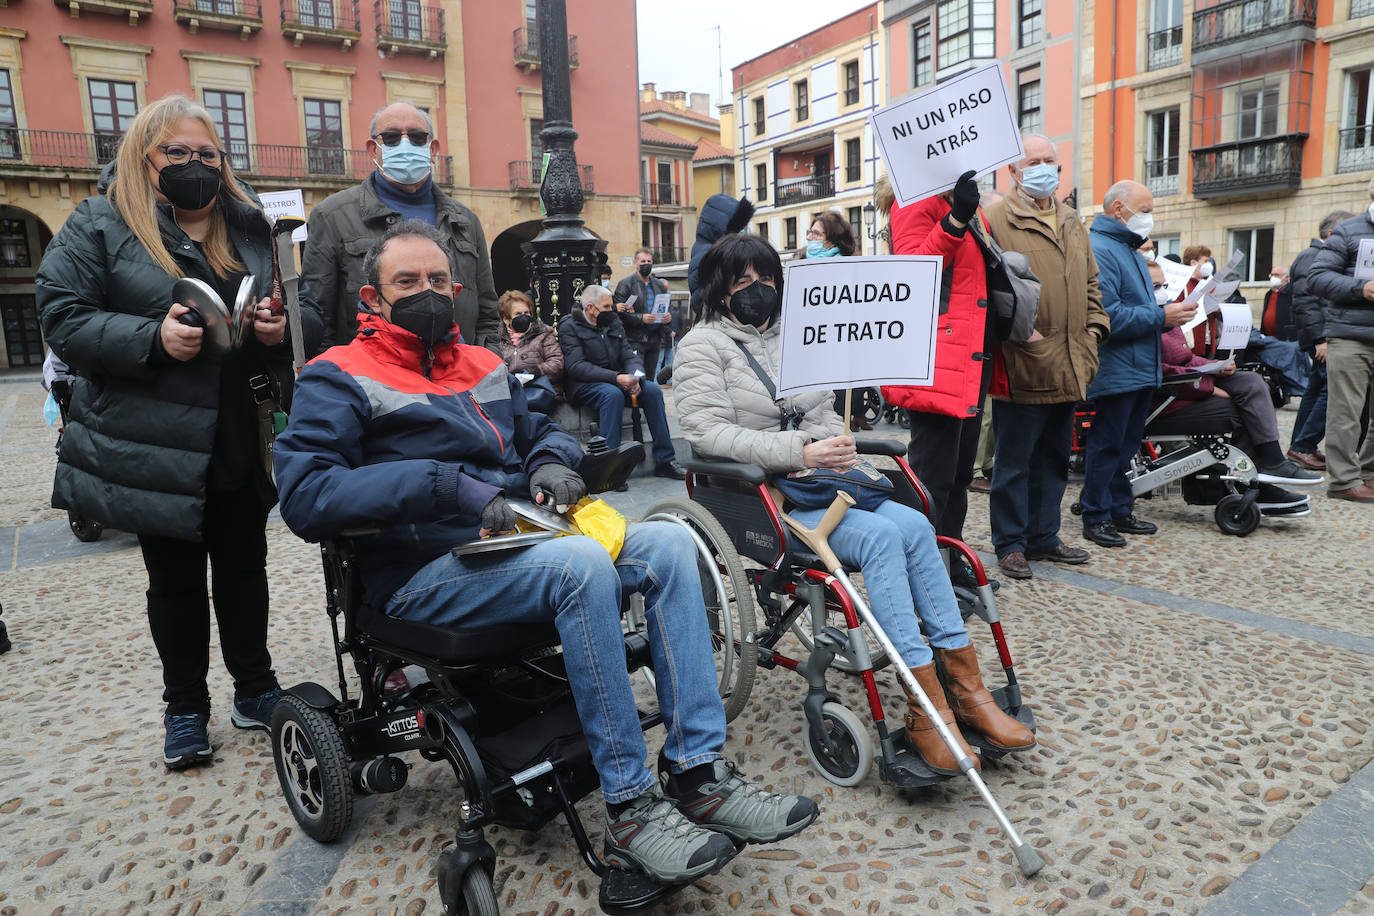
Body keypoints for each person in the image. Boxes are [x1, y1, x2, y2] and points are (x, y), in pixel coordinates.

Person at [273, 221, 817, 885]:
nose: (428, 293)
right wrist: (442, 485)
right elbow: (305, 495)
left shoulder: (484, 364)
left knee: (671, 542)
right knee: (580, 564)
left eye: (438, 280)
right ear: (372, 296)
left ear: (460, 286)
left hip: (518, 541)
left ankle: (697, 772)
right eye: (407, 283)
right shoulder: (337, 375)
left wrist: (552, 463)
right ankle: (631, 811)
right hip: (419, 574)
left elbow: (541, 434)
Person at [673, 232, 1035, 776]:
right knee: (882, 537)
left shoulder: (800, 334)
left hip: (823, 479)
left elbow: (822, 411)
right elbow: (706, 434)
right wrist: (801, 449)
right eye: (742, 282)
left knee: (914, 524)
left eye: (765, 278)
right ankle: (924, 708)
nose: (757, 290)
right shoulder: (701, 345)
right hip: (762, 491)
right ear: (719, 290)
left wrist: (832, 444)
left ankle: (968, 690)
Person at [35, 94, 321, 767]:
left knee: (246, 569)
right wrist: (151, 337)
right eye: (178, 153)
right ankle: (185, 707)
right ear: (145, 156)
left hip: (237, 429)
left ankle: (254, 687)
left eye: (208, 154)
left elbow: (290, 308)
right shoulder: (100, 223)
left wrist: (278, 332)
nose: (195, 165)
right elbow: (63, 318)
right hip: (152, 437)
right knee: (175, 582)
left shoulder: (250, 225)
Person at [983, 134, 1110, 580]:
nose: (1042, 167)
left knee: (1055, 458)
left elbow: (1092, 284)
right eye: (1032, 161)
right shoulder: (997, 217)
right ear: (1014, 172)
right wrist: (1019, 332)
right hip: (1025, 361)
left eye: (1049, 160)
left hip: (1073, 359)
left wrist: (1095, 331)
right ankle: (1011, 543)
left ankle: (1044, 536)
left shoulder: (1073, 218)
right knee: (1015, 462)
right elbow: (989, 289)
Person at [302, 101, 500, 354]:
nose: (405, 145)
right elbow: (319, 316)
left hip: (458, 379)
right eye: (392, 137)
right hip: (371, 382)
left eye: (417, 137)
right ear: (374, 150)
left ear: (432, 149)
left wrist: (488, 367)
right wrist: (335, 381)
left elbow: (487, 314)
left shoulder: (465, 221)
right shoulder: (331, 215)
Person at [880, 170, 994, 547]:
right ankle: (923, 569)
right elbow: (915, 272)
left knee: (959, 473)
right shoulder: (916, 202)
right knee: (933, 478)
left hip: (968, 356)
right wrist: (955, 221)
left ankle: (949, 560)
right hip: (937, 357)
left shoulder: (955, 202)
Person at [1082, 180, 1196, 547]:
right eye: (1145, 210)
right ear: (1119, 209)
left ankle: (1118, 508)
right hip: (1117, 365)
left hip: (1138, 365)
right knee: (1108, 443)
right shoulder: (1102, 249)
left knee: (1126, 444)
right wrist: (1162, 316)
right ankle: (1096, 514)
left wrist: (1162, 314)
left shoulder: (1126, 248)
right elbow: (1109, 316)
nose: (1150, 218)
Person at [1158, 325, 1321, 511]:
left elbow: (1185, 359)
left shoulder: (1167, 318)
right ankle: (1249, 485)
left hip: (1187, 382)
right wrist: (1209, 388)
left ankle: (1273, 461)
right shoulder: (1153, 319)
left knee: (1252, 381)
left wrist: (1214, 367)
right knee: (1242, 408)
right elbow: (1158, 370)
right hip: (1167, 399)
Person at [559, 285, 686, 479]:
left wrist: (636, 376)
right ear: (591, 308)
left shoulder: (612, 321)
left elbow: (628, 354)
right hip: (586, 384)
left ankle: (665, 460)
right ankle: (611, 467)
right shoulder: (569, 326)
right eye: (607, 306)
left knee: (652, 391)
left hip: (618, 380)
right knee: (612, 394)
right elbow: (576, 366)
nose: (612, 310)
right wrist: (616, 378)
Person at [1307, 176, 1374, 503]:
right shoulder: (1348, 231)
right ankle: (1343, 480)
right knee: (1346, 412)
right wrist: (1360, 289)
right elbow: (1317, 277)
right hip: (1351, 335)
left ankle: (1370, 474)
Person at [1287, 210, 1356, 469]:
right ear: (1331, 234)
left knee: (1316, 389)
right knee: (1330, 391)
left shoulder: (1317, 257)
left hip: (1325, 335)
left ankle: (1301, 446)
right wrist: (1320, 340)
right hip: (1323, 337)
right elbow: (1306, 302)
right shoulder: (1312, 257)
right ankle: (1303, 445)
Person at [497, 289, 562, 413]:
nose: (524, 317)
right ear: (506, 319)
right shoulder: (496, 339)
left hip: (538, 393)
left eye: (527, 313)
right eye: (518, 314)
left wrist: (534, 372)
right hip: (509, 394)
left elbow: (557, 363)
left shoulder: (544, 333)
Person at [612, 247, 671, 376]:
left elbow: (666, 305)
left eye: (649, 261)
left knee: (650, 378)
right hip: (635, 339)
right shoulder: (626, 284)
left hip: (655, 339)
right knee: (636, 377)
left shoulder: (659, 285)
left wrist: (667, 317)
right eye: (643, 261)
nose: (646, 264)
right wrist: (640, 318)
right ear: (635, 263)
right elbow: (619, 312)